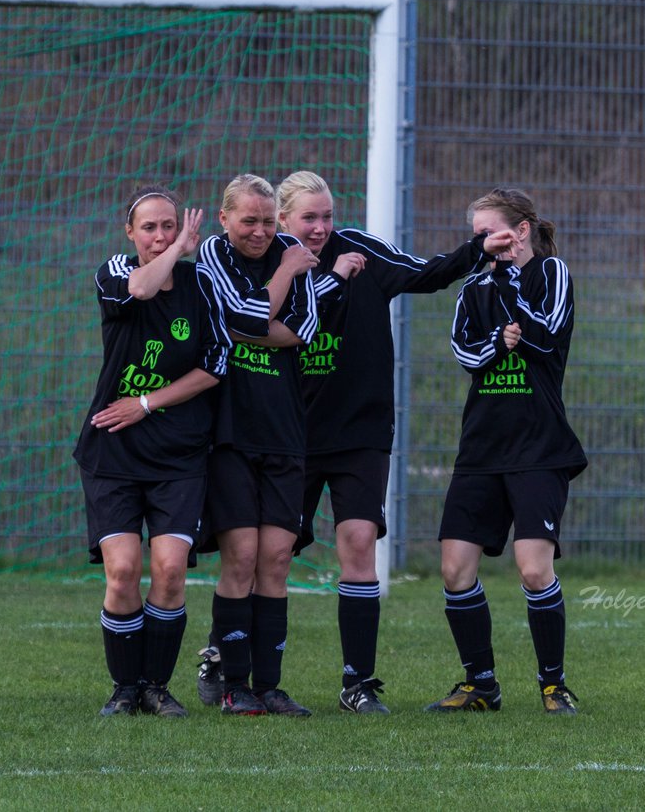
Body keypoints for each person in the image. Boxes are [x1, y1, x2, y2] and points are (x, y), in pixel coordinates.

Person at [266, 170, 508, 714]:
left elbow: (427, 274)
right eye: (309, 217)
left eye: (328, 215)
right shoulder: (271, 266)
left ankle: (358, 682)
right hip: (291, 432)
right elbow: (255, 321)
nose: (322, 227)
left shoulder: (362, 252)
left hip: (361, 432)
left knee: (356, 545)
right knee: (270, 555)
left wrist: (476, 249)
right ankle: (235, 661)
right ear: (283, 220)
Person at [425, 187, 587, 715]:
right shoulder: (474, 286)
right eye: (476, 237)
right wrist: (499, 339)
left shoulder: (552, 273)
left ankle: (553, 684)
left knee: (534, 570)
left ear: (518, 231)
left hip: (539, 447)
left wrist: (510, 286)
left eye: (488, 234)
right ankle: (481, 684)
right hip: (481, 448)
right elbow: (465, 353)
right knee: (454, 569)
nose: (481, 244)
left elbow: (546, 335)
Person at [72, 185, 230, 719]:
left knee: (168, 569)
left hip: (179, 455)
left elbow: (213, 366)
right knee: (122, 572)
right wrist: (175, 251)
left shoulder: (201, 286)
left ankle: (157, 687)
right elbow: (140, 290)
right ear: (130, 232)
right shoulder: (115, 270)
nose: (160, 236)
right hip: (112, 453)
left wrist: (145, 401)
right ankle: (125, 687)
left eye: (170, 226)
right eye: (150, 227)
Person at [195, 174, 320, 716]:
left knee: (276, 560)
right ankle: (231, 683)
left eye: (269, 221)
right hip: (231, 433)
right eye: (249, 220)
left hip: (285, 430)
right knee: (241, 557)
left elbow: (304, 327)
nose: (261, 232)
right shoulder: (210, 256)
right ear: (225, 219)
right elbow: (240, 318)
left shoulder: (289, 247)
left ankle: (270, 685)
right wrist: (287, 278)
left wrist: (255, 316)